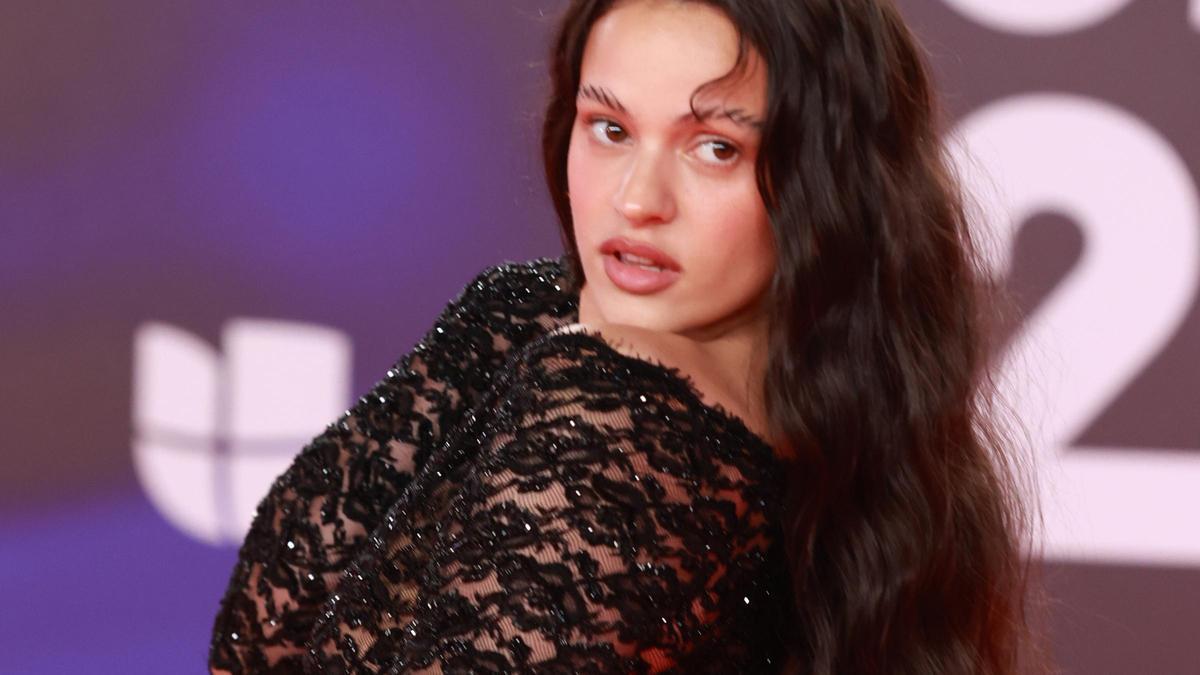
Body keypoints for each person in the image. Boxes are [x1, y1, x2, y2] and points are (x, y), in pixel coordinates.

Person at [210, 0, 1042, 673]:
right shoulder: (527, 317)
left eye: (715, 147)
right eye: (609, 128)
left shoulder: (630, 409)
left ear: (825, 181)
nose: (638, 199)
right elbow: (257, 634)